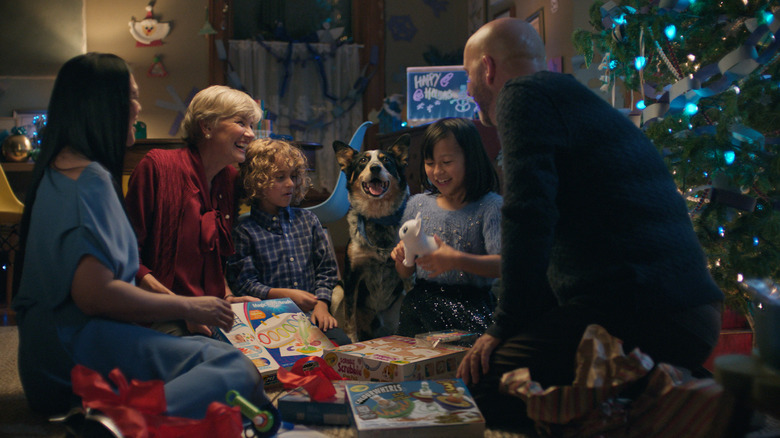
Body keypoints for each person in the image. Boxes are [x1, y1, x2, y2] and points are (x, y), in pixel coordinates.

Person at [456, 18, 724, 427]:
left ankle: (675, 400)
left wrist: (503, 326)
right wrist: (515, 327)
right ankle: (663, 389)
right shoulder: (572, 98)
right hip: (683, 310)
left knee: (488, 385)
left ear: (487, 69)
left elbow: (528, 216)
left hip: (648, 309)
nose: (469, 90)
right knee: (514, 361)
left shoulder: (520, 94)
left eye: (468, 75)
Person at [12, 53, 273, 421]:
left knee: (220, 363)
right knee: (235, 369)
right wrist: (188, 306)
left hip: (45, 362)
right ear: (102, 104)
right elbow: (94, 295)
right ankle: (115, 422)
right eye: (131, 97)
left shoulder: (56, 172)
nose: (138, 107)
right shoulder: (92, 180)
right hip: (75, 359)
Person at [125, 85, 262, 337]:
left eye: (252, 125)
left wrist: (228, 296)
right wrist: (183, 309)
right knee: (229, 367)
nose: (251, 134)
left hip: (208, 310)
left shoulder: (228, 179)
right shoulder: (157, 167)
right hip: (158, 311)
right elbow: (128, 257)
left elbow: (214, 255)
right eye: (241, 123)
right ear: (206, 126)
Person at [226, 138, 352, 346]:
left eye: (293, 176)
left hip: (313, 316)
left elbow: (326, 270)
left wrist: (322, 304)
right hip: (268, 323)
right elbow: (245, 283)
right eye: (280, 177)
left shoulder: (308, 221)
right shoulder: (244, 231)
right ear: (256, 181)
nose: (291, 184)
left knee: (344, 352)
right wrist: (285, 296)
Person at [390, 117, 502, 337]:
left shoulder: (490, 206)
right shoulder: (417, 205)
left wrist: (457, 260)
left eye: (447, 162)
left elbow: (503, 265)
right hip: (419, 309)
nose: (437, 171)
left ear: (470, 159)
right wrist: (402, 257)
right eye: (430, 163)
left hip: (471, 311)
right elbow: (405, 271)